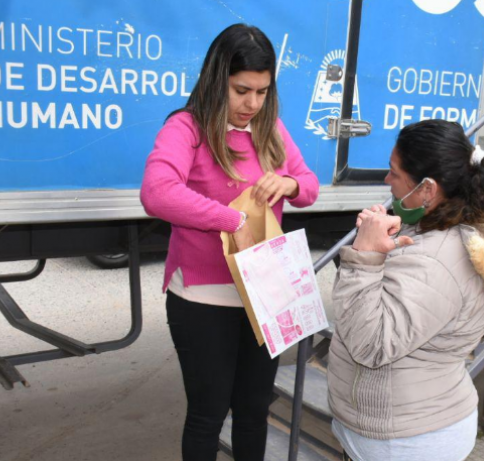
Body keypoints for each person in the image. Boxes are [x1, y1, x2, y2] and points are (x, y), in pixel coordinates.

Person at [140, 24, 319, 461]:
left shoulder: (268, 127)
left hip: (266, 295)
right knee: (208, 413)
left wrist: (289, 183)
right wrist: (231, 218)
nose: (251, 104)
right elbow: (157, 192)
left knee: (255, 411)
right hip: (203, 296)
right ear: (217, 77)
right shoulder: (187, 127)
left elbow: (311, 186)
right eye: (242, 90)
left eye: (262, 91)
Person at [327, 119, 484, 461]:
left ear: (427, 189)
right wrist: (385, 242)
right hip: (411, 428)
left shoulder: (437, 259)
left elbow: (370, 343)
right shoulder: (449, 233)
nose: (387, 180)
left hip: (407, 442)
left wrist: (364, 257)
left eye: (394, 172)